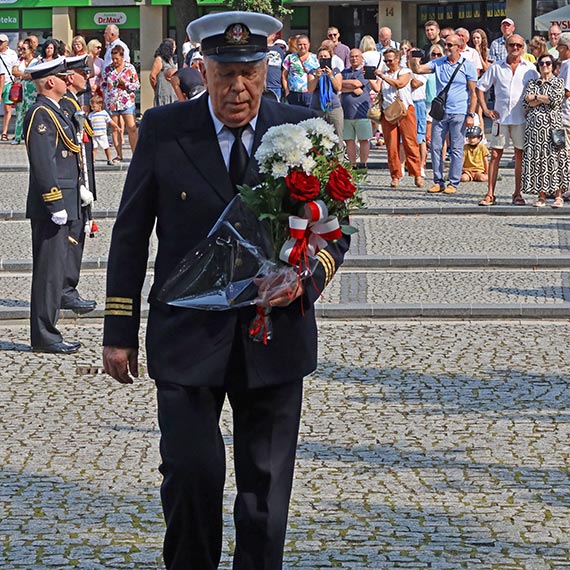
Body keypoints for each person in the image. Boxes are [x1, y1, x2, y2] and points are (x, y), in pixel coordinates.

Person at [102, 10, 349, 570]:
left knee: (264, 496)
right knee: (192, 475)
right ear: (203, 70)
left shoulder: (304, 130)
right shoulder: (166, 130)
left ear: (267, 69)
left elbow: (338, 228)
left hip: (273, 338)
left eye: (250, 74)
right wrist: (119, 332)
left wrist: (306, 280)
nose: (239, 89)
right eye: (224, 75)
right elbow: (130, 235)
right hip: (188, 337)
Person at [23, 57, 82, 353]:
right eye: (63, 76)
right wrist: (54, 201)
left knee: (55, 271)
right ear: (50, 82)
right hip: (52, 207)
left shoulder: (55, 111)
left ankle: (50, 332)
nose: (67, 81)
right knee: (48, 275)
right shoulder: (41, 114)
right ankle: (45, 336)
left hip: (66, 202)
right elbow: (43, 162)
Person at [409, 34, 477, 195]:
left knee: (456, 148)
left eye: (450, 45)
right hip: (441, 112)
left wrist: (471, 114)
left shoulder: (468, 66)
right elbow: (418, 69)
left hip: (459, 111)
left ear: (459, 47)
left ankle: (453, 182)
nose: (447, 48)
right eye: (446, 44)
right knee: (436, 147)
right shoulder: (439, 63)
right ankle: (438, 181)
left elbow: (473, 92)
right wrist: (414, 58)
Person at [475, 35, 538, 206]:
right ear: (507, 47)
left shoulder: (530, 69)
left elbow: (539, 90)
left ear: (523, 48)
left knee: (520, 156)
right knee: (495, 155)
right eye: (512, 44)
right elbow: (480, 87)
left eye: (518, 45)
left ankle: (517, 193)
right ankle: (490, 194)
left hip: (521, 118)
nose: (515, 47)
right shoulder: (497, 66)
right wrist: (486, 110)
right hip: (501, 118)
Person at [59, 54, 98, 315]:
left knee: (78, 236)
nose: (89, 78)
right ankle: (65, 291)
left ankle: (67, 289)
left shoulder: (75, 103)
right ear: (71, 77)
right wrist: (81, 183)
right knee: (72, 238)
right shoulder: (66, 105)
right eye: (84, 74)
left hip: (81, 183)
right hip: (74, 184)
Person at [522, 53, 569, 208]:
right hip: (535, 129)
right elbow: (526, 103)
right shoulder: (532, 82)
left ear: (553, 66)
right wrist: (541, 98)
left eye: (548, 63)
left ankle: (558, 195)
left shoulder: (558, 82)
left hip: (554, 126)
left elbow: (555, 100)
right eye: (541, 63)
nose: (544, 66)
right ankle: (541, 196)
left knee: (557, 159)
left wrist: (535, 97)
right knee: (538, 160)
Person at [376, 48, 423, 187]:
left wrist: (383, 77)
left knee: (410, 143)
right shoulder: (383, 73)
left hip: (405, 109)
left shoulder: (405, 71)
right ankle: (395, 175)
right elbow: (377, 88)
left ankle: (417, 174)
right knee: (391, 146)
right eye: (386, 61)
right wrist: (370, 77)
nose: (388, 63)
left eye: (390, 60)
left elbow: (400, 83)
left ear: (397, 59)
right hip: (388, 111)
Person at [341, 48, 378, 169]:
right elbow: (337, 85)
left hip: (362, 113)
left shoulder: (365, 72)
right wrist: (350, 87)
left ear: (362, 58)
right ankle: (353, 164)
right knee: (349, 140)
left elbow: (358, 84)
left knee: (363, 140)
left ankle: (363, 163)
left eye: (357, 56)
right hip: (347, 113)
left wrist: (347, 85)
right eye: (352, 56)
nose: (354, 58)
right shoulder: (344, 71)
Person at [101, 44, 139, 161]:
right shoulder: (108, 69)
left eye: (117, 59)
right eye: (113, 59)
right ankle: (119, 155)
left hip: (126, 101)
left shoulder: (130, 68)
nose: (115, 61)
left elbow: (137, 85)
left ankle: (136, 154)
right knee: (115, 128)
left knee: (131, 128)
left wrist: (125, 84)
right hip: (112, 102)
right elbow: (103, 83)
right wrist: (106, 91)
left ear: (122, 57)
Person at [307, 45, 343, 145]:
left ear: (330, 57)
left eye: (326, 56)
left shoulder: (335, 71)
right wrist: (317, 78)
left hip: (334, 108)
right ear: (317, 58)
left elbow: (338, 87)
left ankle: (338, 160)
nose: (323, 58)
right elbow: (310, 89)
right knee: (316, 138)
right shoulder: (313, 72)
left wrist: (331, 76)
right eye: (321, 57)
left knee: (337, 137)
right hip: (317, 108)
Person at [11, 38, 39, 145]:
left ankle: (30, 136)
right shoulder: (19, 60)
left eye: (24, 49)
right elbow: (14, 71)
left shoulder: (36, 61)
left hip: (32, 91)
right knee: (19, 113)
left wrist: (22, 75)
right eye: (21, 48)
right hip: (20, 90)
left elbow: (34, 74)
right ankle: (17, 137)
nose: (22, 51)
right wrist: (25, 75)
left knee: (31, 113)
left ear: (31, 50)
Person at [282, 34, 318, 107]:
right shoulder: (290, 57)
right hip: (293, 93)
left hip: (310, 93)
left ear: (309, 44)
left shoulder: (315, 58)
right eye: (300, 44)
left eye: (305, 44)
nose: (302, 47)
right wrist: (287, 91)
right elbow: (284, 75)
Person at [89, 95, 119, 163]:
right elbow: (88, 123)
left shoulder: (104, 113)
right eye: (91, 106)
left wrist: (117, 127)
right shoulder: (91, 115)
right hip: (94, 134)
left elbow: (110, 121)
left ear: (100, 105)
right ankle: (93, 159)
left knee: (106, 147)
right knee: (94, 147)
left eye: (94, 106)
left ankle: (109, 159)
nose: (92, 108)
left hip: (102, 134)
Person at [0, 34, 18, 142]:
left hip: (8, 83)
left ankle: (5, 132)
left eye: (1, 42)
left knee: (7, 108)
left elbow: (15, 68)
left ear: (6, 43)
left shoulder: (11, 54)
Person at [150, 38, 177, 107]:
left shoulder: (171, 59)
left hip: (172, 92)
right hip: (163, 93)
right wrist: (156, 88)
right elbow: (153, 76)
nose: (175, 48)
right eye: (173, 46)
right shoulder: (159, 59)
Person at [266, 32, 285, 100]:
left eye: (269, 34)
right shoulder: (260, 48)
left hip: (275, 86)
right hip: (262, 85)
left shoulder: (279, 50)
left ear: (273, 36)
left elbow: (283, 68)